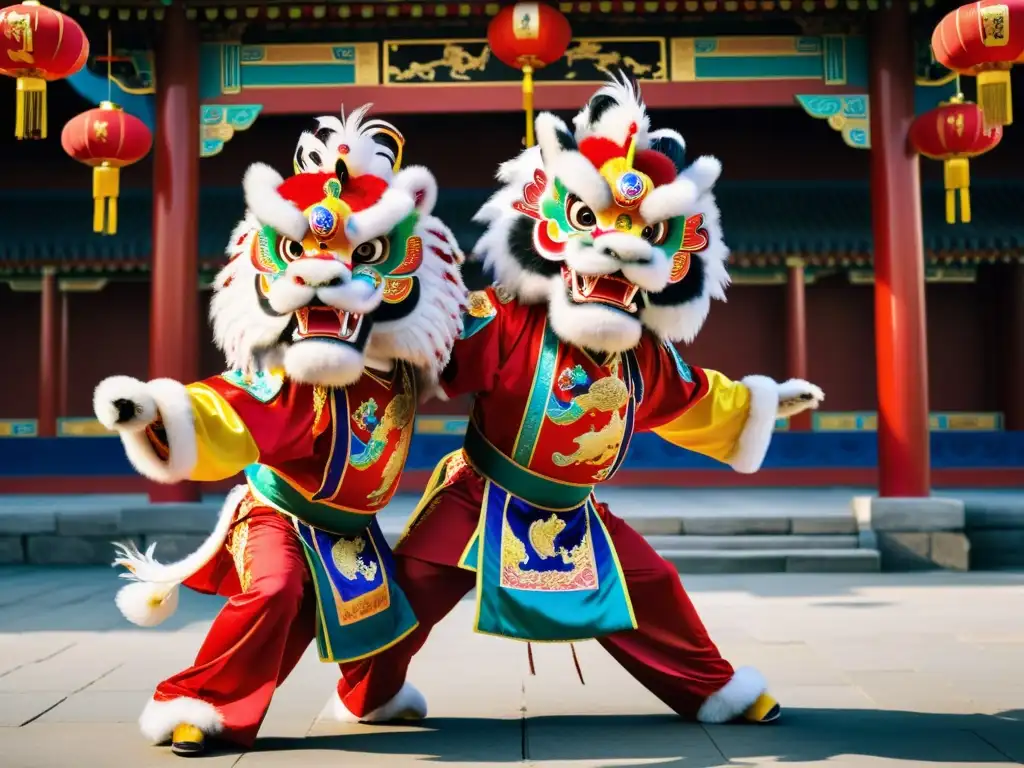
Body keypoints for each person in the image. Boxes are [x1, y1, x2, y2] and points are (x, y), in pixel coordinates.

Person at [335, 75, 825, 727]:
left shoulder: (641, 352)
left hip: (573, 512)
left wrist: (758, 403)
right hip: (479, 497)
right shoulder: (505, 319)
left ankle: (712, 688)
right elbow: (434, 344)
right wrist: (370, 331)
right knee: (412, 589)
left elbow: (691, 396)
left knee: (651, 588)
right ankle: (370, 693)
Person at [91, 106, 466, 756]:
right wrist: (157, 411)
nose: (327, 276)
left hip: (353, 529)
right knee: (277, 592)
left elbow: (486, 346)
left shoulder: (407, 366)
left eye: (364, 255)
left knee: (392, 612)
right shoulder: (298, 374)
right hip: (281, 515)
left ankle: (369, 696)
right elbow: (232, 409)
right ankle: (198, 702)